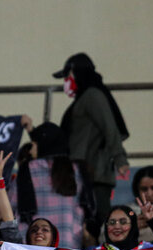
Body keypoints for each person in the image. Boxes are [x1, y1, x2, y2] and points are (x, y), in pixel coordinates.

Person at [52, 53, 129, 238]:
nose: (66, 81)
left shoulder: (92, 96)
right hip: (84, 174)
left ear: (76, 73)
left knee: (100, 222)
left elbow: (110, 128)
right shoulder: (85, 97)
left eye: (67, 75)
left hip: (95, 175)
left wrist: (120, 160)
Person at [11, 121, 92, 248]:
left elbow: (12, 205)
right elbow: (86, 207)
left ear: (43, 145)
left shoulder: (28, 170)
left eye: (34, 144)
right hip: (70, 245)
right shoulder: (76, 170)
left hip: (35, 247)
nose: (31, 150)